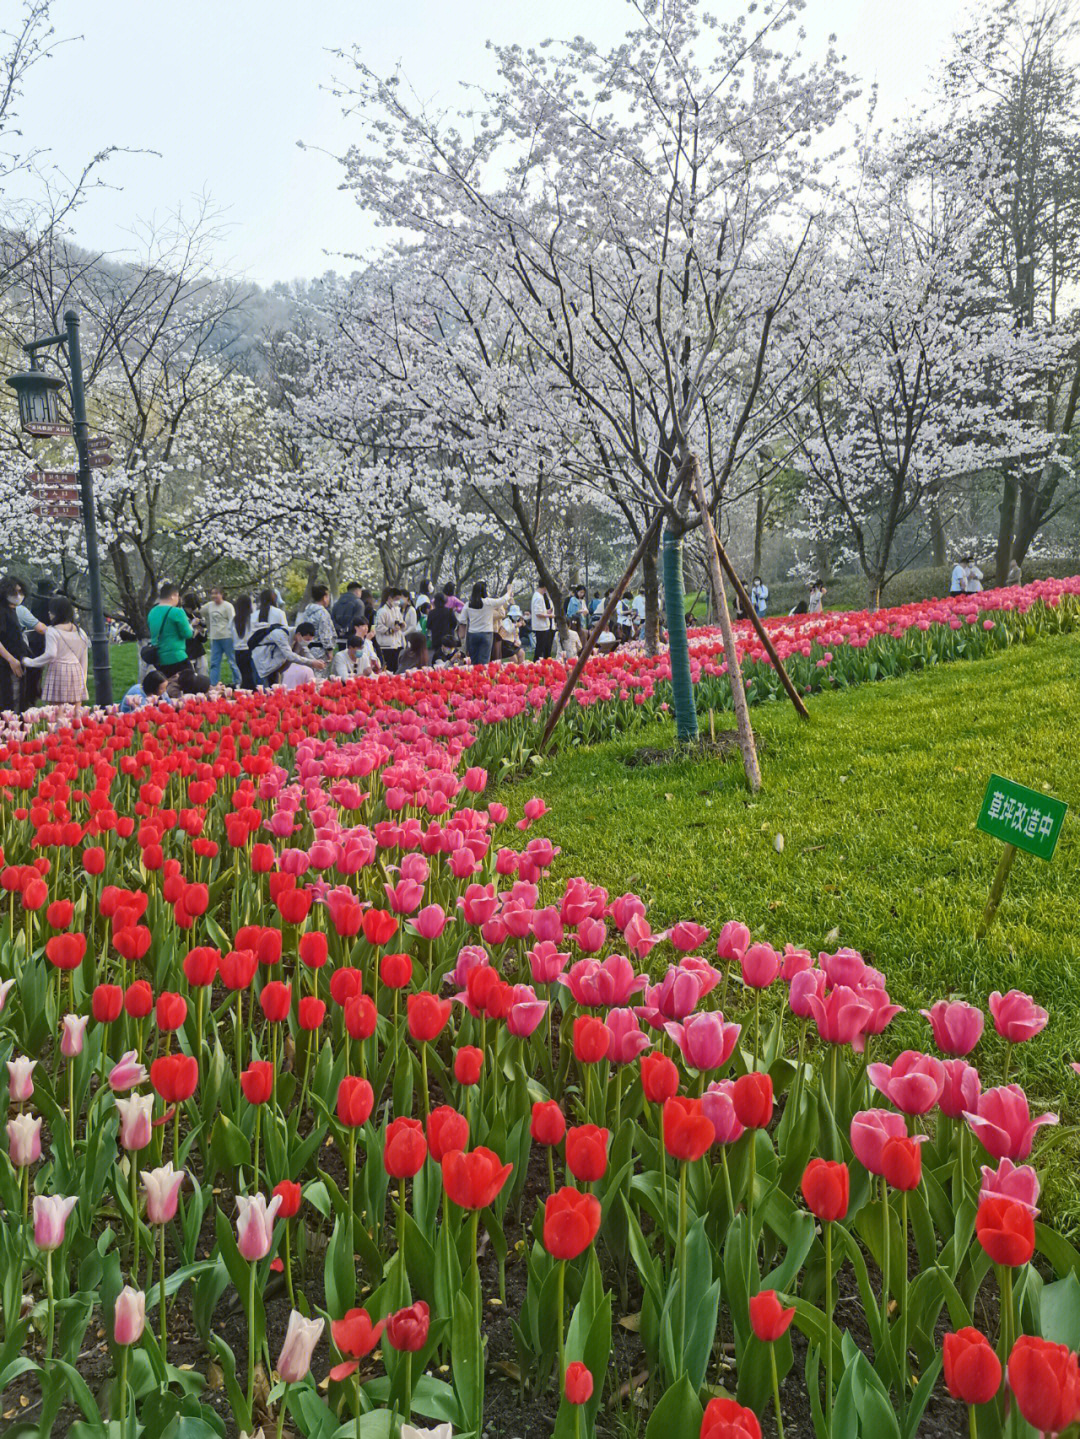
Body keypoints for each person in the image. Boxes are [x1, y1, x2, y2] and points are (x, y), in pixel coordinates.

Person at [24, 596, 89, 704]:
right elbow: (84, 659)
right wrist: (83, 681)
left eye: (51, 610)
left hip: (58, 671)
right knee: (75, 712)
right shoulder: (80, 632)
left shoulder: (52, 631)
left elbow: (50, 654)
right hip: (77, 672)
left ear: (57, 612)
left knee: (57, 711)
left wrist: (30, 662)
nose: (49, 612)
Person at [146, 583, 209, 694]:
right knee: (189, 687)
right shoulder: (176, 612)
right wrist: (192, 626)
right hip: (177, 657)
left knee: (166, 689)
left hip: (158, 658)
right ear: (173, 596)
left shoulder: (152, 612)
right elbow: (188, 634)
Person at [252, 619, 325, 688]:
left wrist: (315, 661)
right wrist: (311, 662)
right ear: (299, 634)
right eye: (307, 640)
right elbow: (289, 655)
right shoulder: (280, 634)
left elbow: (305, 650)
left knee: (275, 693)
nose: (307, 642)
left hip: (273, 668)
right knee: (263, 692)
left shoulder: (298, 635)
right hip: (261, 665)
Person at [464, 582, 513, 665]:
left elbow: (462, 619)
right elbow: (502, 600)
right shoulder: (488, 602)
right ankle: (482, 676)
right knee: (484, 660)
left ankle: (474, 676)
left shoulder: (468, 604)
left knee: (474, 660)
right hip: (486, 634)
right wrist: (509, 591)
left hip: (472, 634)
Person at [0, 576, 28, 714]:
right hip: (7, 664)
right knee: (10, 702)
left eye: (20, 591)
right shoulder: (2, 610)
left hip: (16, 662)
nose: (18, 596)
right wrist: (11, 659)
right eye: (14, 592)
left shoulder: (13, 610)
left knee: (17, 700)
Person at [201, 586, 237, 685]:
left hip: (227, 637)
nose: (214, 596)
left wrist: (234, 636)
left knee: (232, 661)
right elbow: (200, 612)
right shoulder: (209, 606)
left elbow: (232, 621)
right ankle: (213, 684)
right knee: (214, 663)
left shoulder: (228, 606)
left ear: (221, 594)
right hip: (215, 638)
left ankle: (237, 682)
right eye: (212, 593)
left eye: (216, 593)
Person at [297, 584, 337, 665]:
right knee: (319, 674)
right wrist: (329, 649)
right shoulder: (323, 612)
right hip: (320, 651)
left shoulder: (306, 612)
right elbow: (325, 633)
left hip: (306, 649)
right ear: (324, 597)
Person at [373, 588, 405, 672]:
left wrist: (402, 624)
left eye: (399, 599)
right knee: (389, 669)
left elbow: (400, 621)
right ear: (390, 598)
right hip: (386, 645)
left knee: (396, 668)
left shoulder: (396, 609)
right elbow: (378, 627)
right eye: (396, 599)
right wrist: (391, 630)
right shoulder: (382, 611)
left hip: (396, 644)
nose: (398, 601)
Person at [232, 594, 256, 689]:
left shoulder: (234, 620)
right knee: (250, 676)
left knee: (244, 675)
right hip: (249, 650)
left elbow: (232, 635)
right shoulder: (252, 618)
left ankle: (244, 693)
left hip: (238, 651)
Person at [530, 582, 556, 660]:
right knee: (540, 648)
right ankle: (536, 662)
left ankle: (542, 662)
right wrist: (550, 616)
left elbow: (540, 611)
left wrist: (547, 612)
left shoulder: (539, 596)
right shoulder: (538, 597)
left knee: (543, 647)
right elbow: (538, 613)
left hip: (543, 626)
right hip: (541, 626)